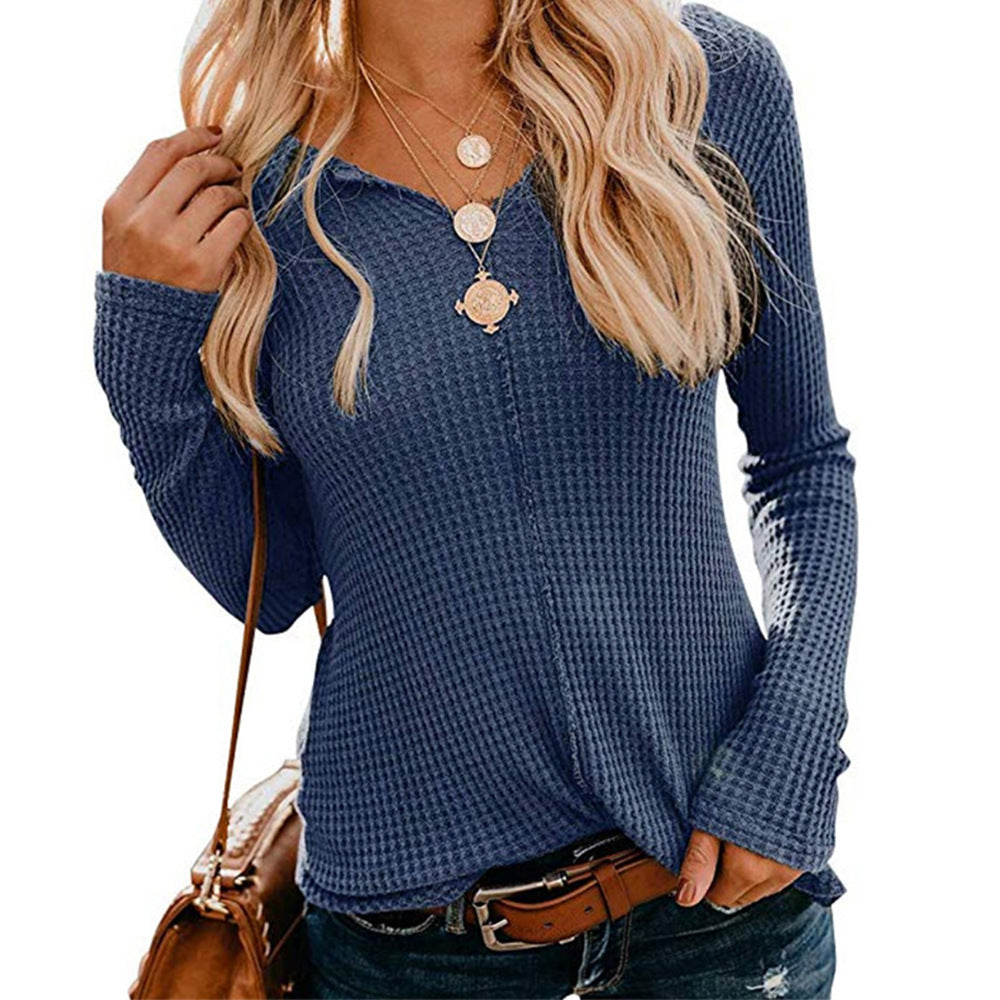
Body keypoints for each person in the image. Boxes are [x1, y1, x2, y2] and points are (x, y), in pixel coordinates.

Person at [93, 1, 857, 996]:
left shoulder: (699, 85)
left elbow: (800, 459)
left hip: (717, 916)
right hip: (415, 951)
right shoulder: (252, 188)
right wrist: (144, 341)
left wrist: (794, 743)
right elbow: (271, 586)